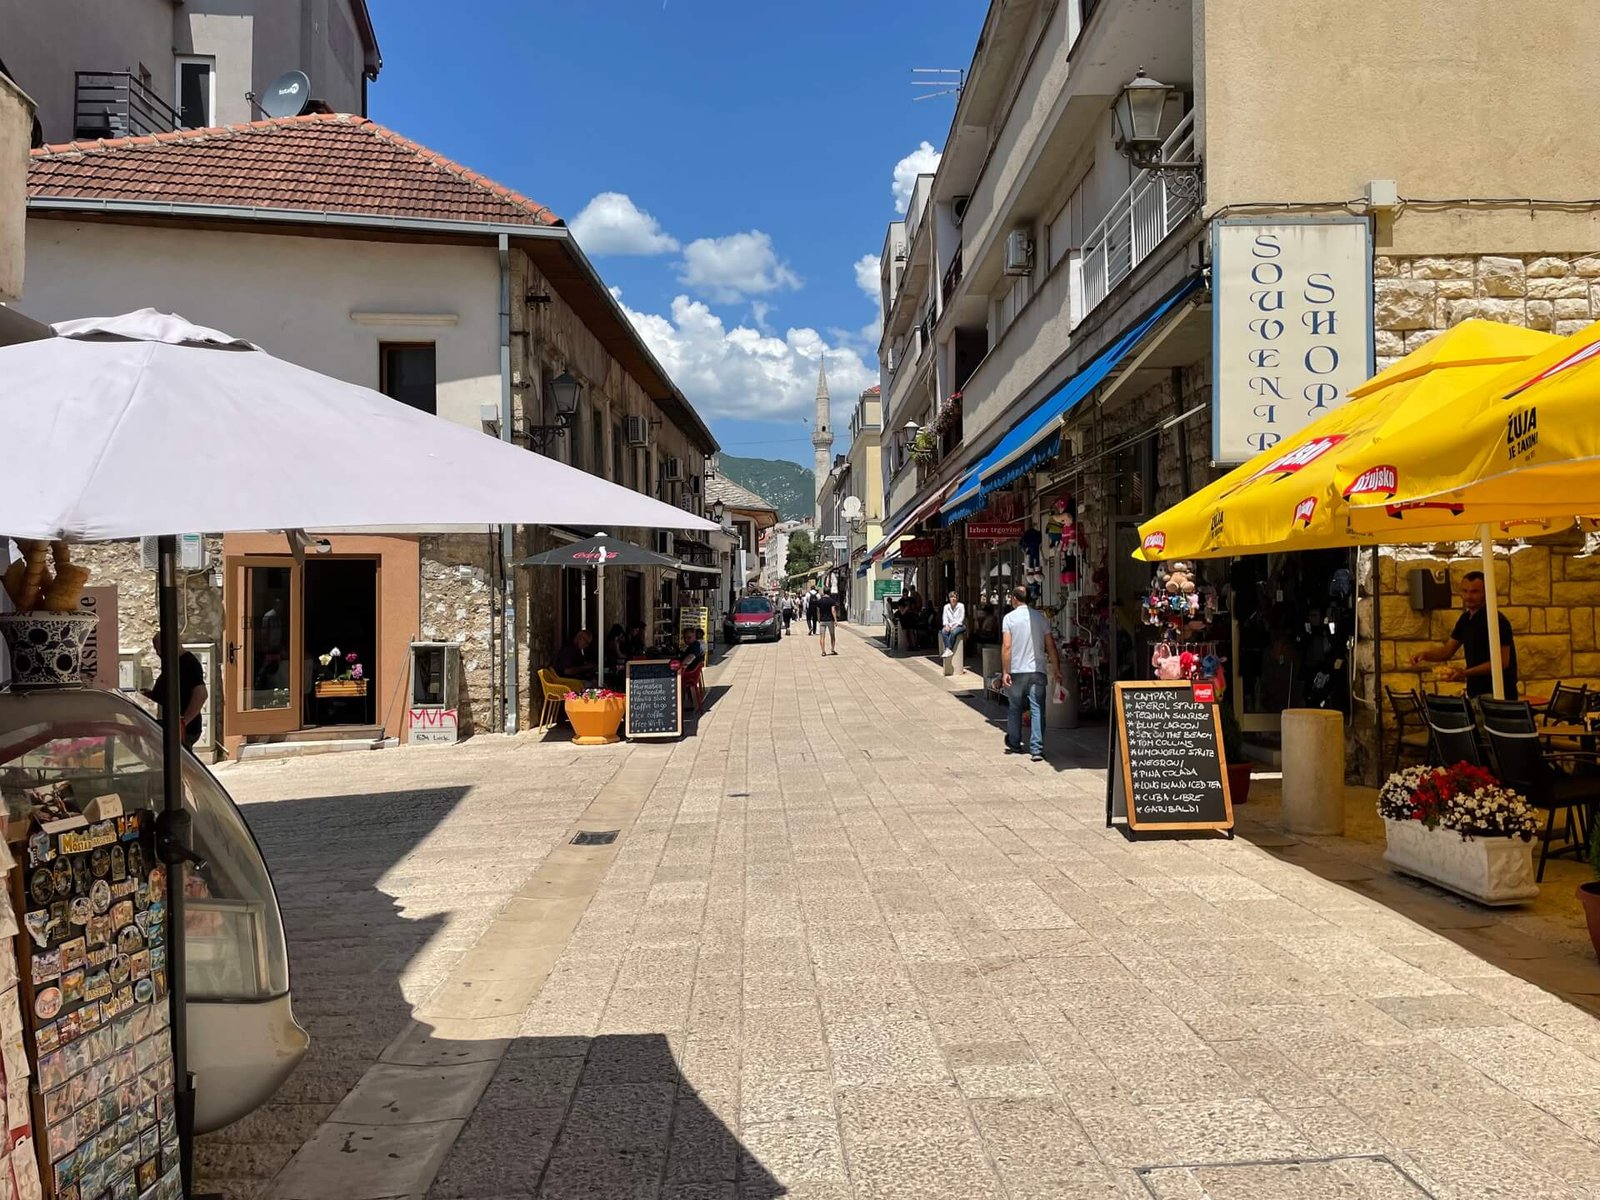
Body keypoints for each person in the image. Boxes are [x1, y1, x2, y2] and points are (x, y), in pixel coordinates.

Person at [1410, 570, 1519, 699]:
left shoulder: (1497, 621)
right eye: (1465, 591)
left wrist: (1465, 673)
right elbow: (1447, 650)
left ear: (1486, 592)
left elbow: (1502, 662)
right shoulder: (1465, 619)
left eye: (1474, 592)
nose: (1468, 596)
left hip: (1498, 693)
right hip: (1475, 692)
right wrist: (1425, 655)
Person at [1001, 585, 1061, 762]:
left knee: (1014, 708)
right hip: (1037, 669)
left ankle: (1014, 742)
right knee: (1037, 709)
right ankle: (1036, 748)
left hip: (1017, 670)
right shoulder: (1040, 618)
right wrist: (1056, 668)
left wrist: (1005, 671)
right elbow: (1050, 645)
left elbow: (1007, 646)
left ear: (1013, 598)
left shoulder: (1009, 619)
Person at [143, 634, 208, 751]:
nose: (158, 653)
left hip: (183, 731)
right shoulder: (174, 663)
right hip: (171, 727)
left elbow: (201, 694)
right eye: (156, 649)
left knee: (178, 764)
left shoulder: (188, 664)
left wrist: (182, 724)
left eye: (160, 648)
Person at [677, 626, 707, 714]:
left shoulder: (695, 646)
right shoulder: (693, 645)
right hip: (690, 672)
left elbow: (690, 657)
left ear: (694, 636)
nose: (686, 640)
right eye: (685, 638)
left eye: (689, 637)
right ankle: (687, 702)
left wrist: (682, 666)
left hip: (688, 673)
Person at [941, 590, 967, 658]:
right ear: (949, 598)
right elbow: (945, 617)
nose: (953, 599)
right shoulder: (946, 607)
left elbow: (961, 618)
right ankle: (948, 649)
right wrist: (947, 625)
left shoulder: (961, 606)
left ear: (957, 598)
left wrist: (955, 626)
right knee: (944, 631)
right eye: (951, 597)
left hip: (960, 625)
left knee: (954, 632)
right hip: (949, 625)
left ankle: (948, 649)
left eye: (954, 597)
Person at [815, 589, 839, 656]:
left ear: (823, 592)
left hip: (822, 620)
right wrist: (835, 620)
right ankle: (832, 649)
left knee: (822, 636)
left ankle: (823, 651)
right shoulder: (831, 601)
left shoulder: (819, 601)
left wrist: (818, 618)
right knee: (832, 635)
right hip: (830, 620)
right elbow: (833, 611)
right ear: (829, 592)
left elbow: (818, 611)